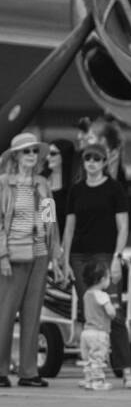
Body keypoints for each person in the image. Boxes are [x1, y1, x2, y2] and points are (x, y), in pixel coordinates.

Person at [62, 141, 131, 389]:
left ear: (105, 162)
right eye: (87, 159)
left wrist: (117, 257)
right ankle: (93, 371)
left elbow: (123, 226)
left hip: (105, 255)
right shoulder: (76, 190)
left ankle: (126, 370)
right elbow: (69, 227)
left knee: (113, 314)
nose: (91, 163)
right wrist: (64, 260)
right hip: (79, 256)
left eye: (96, 159)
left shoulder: (114, 189)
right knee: (90, 314)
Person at [0, 133, 67, 388]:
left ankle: (28, 372)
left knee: (32, 315)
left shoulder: (43, 183)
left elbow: (51, 220)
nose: (31, 156)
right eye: (26, 152)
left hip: (39, 255)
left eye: (34, 152)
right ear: (16, 156)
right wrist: (2, 255)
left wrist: (56, 254)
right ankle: (0, 370)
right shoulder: (3, 183)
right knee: (4, 315)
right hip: (13, 255)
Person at [79, 257, 115, 391]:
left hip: (86, 332)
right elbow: (110, 312)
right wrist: (113, 312)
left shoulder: (87, 294)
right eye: (108, 278)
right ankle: (98, 381)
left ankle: (88, 380)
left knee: (89, 358)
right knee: (98, 359)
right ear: (101, 280)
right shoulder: (102, 295)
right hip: (99, 332)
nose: (109, 281)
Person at [42, 138, 75, 232]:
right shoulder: (42, 180)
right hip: (45, 237)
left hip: (68, 238)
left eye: (52, 153)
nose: (48, 157)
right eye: (47, 153)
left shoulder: (73, 184)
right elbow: (47, 219)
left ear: (65, 155)